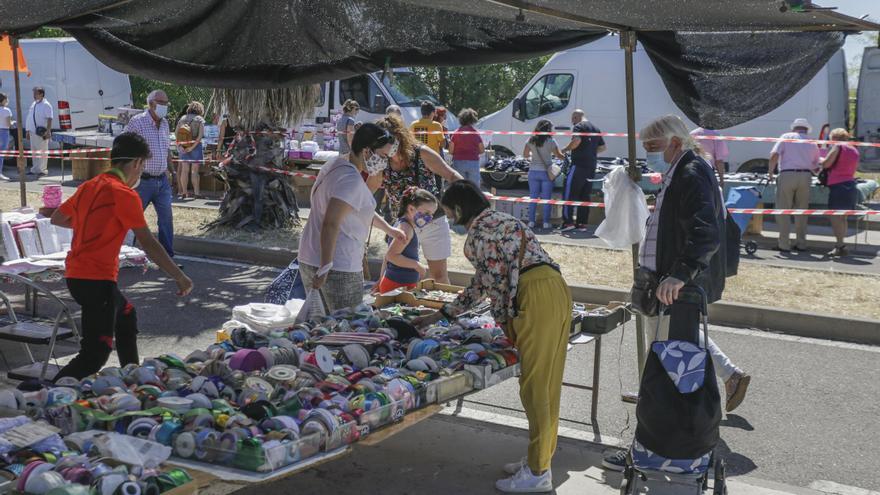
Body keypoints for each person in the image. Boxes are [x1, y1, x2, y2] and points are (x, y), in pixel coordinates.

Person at [603, 115, 750, 472]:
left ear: (674, 141)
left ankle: (652, 449)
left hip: (677, 291)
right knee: (670, 370)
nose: (648, 152)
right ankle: (663, 444)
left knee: (666, 374)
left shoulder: (690, 171)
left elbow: (705, 233)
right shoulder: (684, 169)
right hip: (671, 287)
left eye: (653, 146)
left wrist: (679, 275)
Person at [415, 180, 571, 493]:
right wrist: (445, 313)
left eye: (448, 212)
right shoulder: (503, 220)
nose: (449, 218)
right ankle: (538, 459)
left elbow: (489, 286)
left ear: (459, 209)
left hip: (534, 296)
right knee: (547, 384)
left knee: (536, 388)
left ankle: (539, 473)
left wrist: (500, 322)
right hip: (554, 289)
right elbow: (489, 281)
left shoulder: (478, 234)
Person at [50, 133, 193, 380]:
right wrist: (179, 277)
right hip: (96, 280)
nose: (140, 174)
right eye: (142, 167)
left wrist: (95, 224)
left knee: (126, 316)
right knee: (95, 355)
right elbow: (148, 242)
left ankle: (133, 378)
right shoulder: (124, 194)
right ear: (136, 163)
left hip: (77, 275)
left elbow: (58, 218)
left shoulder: (89, 186)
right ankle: (46, 394)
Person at [297, 123, 406, 311]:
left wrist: (389, 230)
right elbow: (331, 223)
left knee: (320, 328)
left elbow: (354, 211)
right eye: (382, 156)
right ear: (366, 151)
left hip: (311, 257)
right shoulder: (351, 180)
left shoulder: (336, 164)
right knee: (347, 326)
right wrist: (325, 266)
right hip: (338, 266)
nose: (384, 162)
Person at [377, 114, 463, 284]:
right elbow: (365, 193)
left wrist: (468, 199)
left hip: (433, 221)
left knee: (438, 277)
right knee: (397, 277)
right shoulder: (380, 161)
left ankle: (442, 310)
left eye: (389, 141)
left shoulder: (421, 153)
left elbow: (451, 175)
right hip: (404, 225)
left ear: (399, 137)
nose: (385, 148)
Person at [124, 90, 175, 257]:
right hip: (142, 181)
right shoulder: (137, 122)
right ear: (152, 104)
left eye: (167, 103)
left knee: (166, 220)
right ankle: (125, 254)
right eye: (162, 103)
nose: (165, 106)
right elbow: (127, 148)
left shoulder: (165, 124)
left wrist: (173, 172)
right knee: (132, 219)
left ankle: (167, 256)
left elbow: (167, 149)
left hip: (162, 180)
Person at [768, 118, 820, 252]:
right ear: (806, 129)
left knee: (783, 210)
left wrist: (770, 173)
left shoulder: (786, 136)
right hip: (806, 176)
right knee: (801, 211)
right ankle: (801, 243)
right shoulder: (812, 142)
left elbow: (774, 155)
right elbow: (816, 165)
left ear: (794, 128)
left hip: (787, 175)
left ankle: (784, 244)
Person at [377, 187, 438, 293]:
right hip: (397, 285)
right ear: (411, 209)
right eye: (427, 213)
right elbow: (392, 256)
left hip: (397, 284)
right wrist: (416, 265)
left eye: (432, 214)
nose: (430, 218)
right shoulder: (406, 229)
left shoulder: (404, 224)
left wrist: (381, 278)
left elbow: (388, 256)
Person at [561, 109, 605, 231]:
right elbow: (603, 147)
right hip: (591, 166)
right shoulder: (596, 128)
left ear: (576, 118)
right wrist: (590, 152)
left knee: (569, 194)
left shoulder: (579, 126)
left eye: (572, 120)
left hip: (578, 165)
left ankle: (568, 222)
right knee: (585, 196)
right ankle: (582, 224)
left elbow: (577, 141)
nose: (572, 123)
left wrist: (565, 149)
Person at [820, 128, 860, 257]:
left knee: (836, 218)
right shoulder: (854, 149)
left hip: (838, 185)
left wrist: (820, 160)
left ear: (834, 138)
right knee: (843, 217)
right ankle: (841, 244)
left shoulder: (837, 147)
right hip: (850, 183)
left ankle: (840, 245)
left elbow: (826, 164)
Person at [523, 119, 565, 230]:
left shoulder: (530, 140)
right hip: (547, 173)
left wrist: (534, 156)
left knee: (533, 198)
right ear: (548, 129)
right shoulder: (551, 141)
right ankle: (546, 223)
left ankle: (531, 222)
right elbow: (559, 155)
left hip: (533, 172)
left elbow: (525, 155)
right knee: (547, 199)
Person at [175, 101, 206, 199]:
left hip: (183, 146)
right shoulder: (200, 119)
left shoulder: (182, 118)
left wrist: (181, 146)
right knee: (194, 171)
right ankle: (197, 193)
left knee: (184, 170)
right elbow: (200, 136)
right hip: (195, 147)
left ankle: (184, 192)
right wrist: (192, 147)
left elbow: (176, 133)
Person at [448, 108, 485, 187]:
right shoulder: (475, 133)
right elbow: (482, 150)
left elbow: (450, 150)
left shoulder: (456, 133)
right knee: (474, 188)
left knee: (460, 187)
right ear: (472, 120)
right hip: (473, 162)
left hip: (458, 162)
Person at [25, 87, 53, 177]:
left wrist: (48, 131)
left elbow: (50, 118)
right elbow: (30, 117)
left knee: (43, 151)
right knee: (34, 151)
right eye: (34, 93)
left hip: (41, 132)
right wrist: (28, 131)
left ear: (41, 94)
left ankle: (43, 170)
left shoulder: (46, 105)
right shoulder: (34, 104)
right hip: (33, 131)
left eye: (36, 93)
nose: (34, 95)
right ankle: (35, 169)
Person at [0, 92, 13, 181]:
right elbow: (8, 124)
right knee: (1, 154)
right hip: (4, 132)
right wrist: (13, 123)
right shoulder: (7, 110)